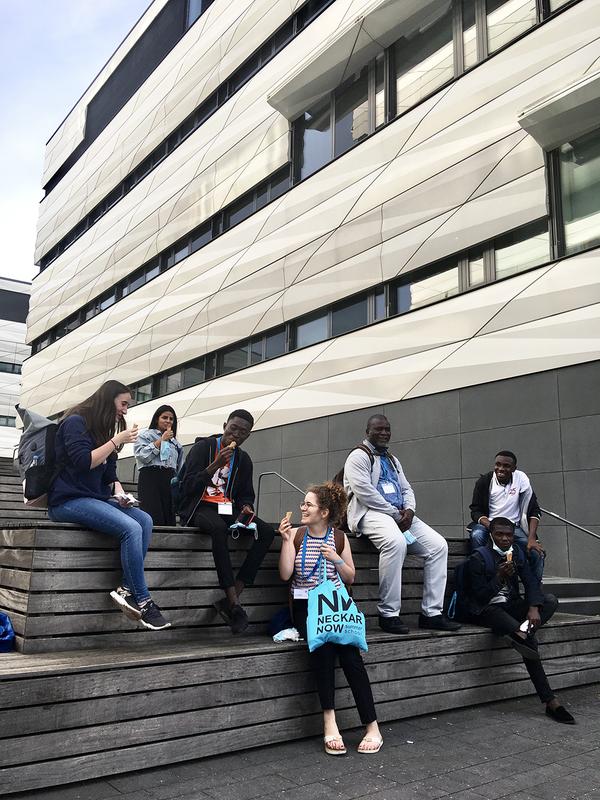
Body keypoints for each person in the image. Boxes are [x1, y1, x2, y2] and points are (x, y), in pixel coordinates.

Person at [47, 379, 170, 631]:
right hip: (67, 500)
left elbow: (109, 475)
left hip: (95, 498)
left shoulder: (104, 430)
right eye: (123, 403)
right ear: (108, 398)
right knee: (131, 528)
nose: (125, 410)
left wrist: (121, 493)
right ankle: (144, 601)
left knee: (144, 519)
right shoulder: (75, 422)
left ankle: (125, 589)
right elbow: (83, 462)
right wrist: (117, 441)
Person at [279, 483, 383, 755]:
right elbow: (286, 574)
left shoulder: (338, 538)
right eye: (303, 504)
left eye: (308, 505)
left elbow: (350, 577)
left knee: (350, 655)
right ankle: (330, 722)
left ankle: (372, 726)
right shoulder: (296, 535)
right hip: (306, 606)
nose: (303, 508)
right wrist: (287, 542)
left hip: (335, 606)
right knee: (323, 648)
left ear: (323, 512)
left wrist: (336, 559)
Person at [344, 414, 460, 634]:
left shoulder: (392, 459)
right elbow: (365, 493)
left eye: (387, 429)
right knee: (396, 543)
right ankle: (388, 614)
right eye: (378, 429)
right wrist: (395, 514)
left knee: (438, 546)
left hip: (398, 514)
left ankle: (432, 613)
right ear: (367, 431)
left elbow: (406, 489)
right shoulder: (358, 456)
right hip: (370, 513)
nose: (384, 433)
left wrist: (410, 510)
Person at [465, 517, 574, 724]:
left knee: (549, 601)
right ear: (491, 535)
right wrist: (499, 578)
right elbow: (479, 597)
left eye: (509, 535)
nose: (505, 539)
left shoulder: (516, 552)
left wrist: (533, 607)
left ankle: (520, 632)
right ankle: (551, 702)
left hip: (511, 607)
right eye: (500, 534)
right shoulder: (479, 557)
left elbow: (531, 581)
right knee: (529, 643)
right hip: (488, 610)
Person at [179, 409, 274, 635]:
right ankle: (234, 604)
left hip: (227, 508)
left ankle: (233, 596)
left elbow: (246, 494)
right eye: (233, 429)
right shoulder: (203, 448)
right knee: (219, 529)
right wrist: (214, 465)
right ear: (224, 426)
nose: (236, 435)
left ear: (247, 436)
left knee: (267, 532)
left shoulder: (243, 459)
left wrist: (247, 506)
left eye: (242, 432)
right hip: (200, 506)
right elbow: (186, 488)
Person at [469, 450, 544, 581]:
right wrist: (491, 526)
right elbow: (475, 511)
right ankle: (481, 578)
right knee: (477, 535)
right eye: (497, 464)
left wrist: (532, 538)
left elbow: (534, 510)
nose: (501, 469)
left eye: (506, 466)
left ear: (514, 468)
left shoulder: (521, 481)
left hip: (513, 527)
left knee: (535, 553)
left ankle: (535, 593)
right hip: (489, 524)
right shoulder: (485, 482)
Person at [134, 404, 183, 525]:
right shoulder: (145, 435)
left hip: (169, 479)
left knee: (169, 517)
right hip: (151, 477)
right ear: (157, 419)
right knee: (153, 515)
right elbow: (142, 456)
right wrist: (161, 440)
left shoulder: (176, 444)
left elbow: (179, 467)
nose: (168, 421)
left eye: (171, 419)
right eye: (164, 417)